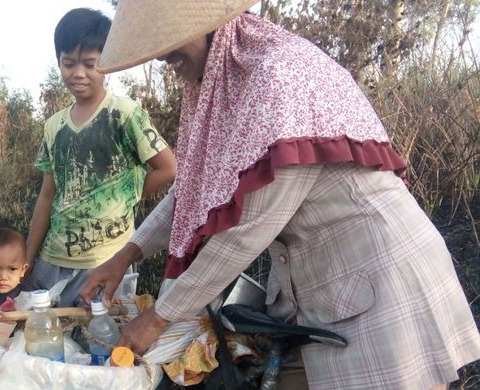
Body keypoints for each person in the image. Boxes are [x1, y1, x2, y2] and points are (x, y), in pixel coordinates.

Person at [80, 1, 480, 389]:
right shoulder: (229, 81)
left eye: (166, 43)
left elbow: (249, 228)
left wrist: (156, 320)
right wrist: (125, 255)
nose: (162, 58)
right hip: (328, 288)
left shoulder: (277, 75)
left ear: (201, 25)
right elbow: (197, 190)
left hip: (383, 280)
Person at [24, 8, 177, 308]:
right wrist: (28, 258)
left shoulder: (124, 114)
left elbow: (168, 167)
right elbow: (46, 195)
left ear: (107, 63)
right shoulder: (54, 125)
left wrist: (123, 198)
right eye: (68, 63)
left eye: (90, 64)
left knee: (102, 342)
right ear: (59, 62)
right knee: (49, 340)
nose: (78, 73)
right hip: (53, 258)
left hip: (106, 258)